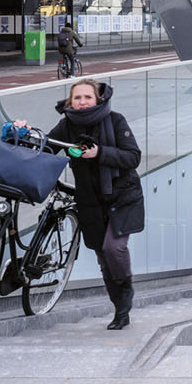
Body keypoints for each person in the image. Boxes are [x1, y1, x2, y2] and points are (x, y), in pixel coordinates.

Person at [47, 78, 144, 329]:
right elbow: (47, 148)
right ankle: (120, 310)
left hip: (122, 197)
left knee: (114, 248)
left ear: (97, 99)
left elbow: (133, 157)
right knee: (103, 257)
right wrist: (24, 132)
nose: (82, 102)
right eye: (77, 98)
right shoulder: (66, 125)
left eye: (87, 97)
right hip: (90, 200)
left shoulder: (115, 120)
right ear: (70, 101)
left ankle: (126, 288)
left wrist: (99, 153)